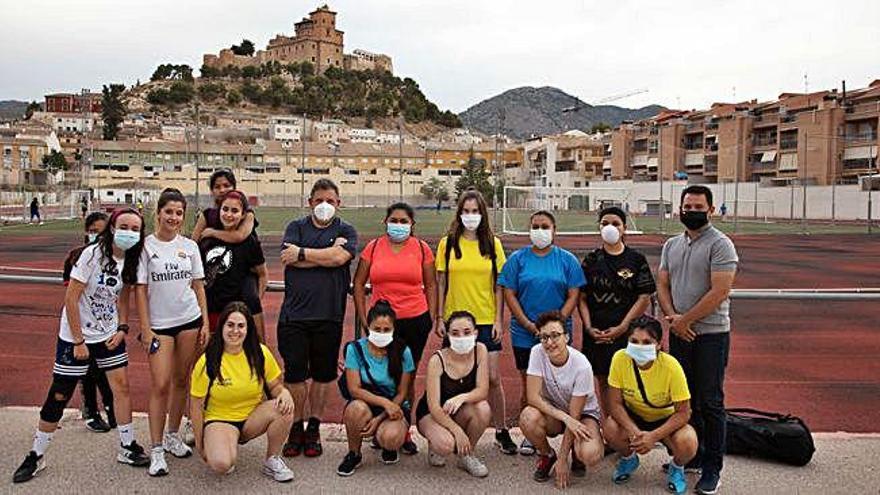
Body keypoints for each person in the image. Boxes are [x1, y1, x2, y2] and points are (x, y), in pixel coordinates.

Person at [12, 208, 150, 483]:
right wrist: (78, 340)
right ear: (112, 227)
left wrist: (122, 328)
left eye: (136, 229)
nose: (130, 233)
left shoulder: (134, 258)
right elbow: (71, 298)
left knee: (121, 388)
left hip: (108, 334)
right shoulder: (91, 255)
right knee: (60, 394)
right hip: (76, 336)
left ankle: (127, 446)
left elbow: (123, 295)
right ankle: (36, 454)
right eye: (124, 226)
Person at [657, 185, 738, 495]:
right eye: (686, 206)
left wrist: (685, 320)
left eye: (697, 206)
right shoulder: (671, 245)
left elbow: (720, 291)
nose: (691, 211)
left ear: (711, 209)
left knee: (711, 402)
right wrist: (673, 319)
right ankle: (692, 455)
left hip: (711, 336)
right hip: (680, 334)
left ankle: (713, 466)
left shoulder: (721, 245)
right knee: (686, 400)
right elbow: (662, 283)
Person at [278, 178, 357, 458]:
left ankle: (314, 426)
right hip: (294, 315)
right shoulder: (295, 226)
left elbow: (339, 259)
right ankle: (296, 426)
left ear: (339, 203)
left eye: (331, 201)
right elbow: (290, 257)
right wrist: (327, 253)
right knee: (295, 375)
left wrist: (304, 253)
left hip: (329, 315)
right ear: (310, 202)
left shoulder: (346, 229)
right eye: (319, 200)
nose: (325, 206)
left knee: (323, 376)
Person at [136, 188, 210, 476]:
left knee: (182, 380)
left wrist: (205, 322)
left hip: (189, 320)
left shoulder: (190, 247)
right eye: (169, 211)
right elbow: (140, 290)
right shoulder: (145, 247)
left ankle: (172, 435)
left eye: (179, 213)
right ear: (159, 213)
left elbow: (199, 286)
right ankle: (156, 449)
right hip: (160, 327)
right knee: (161, 384)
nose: (174, 217)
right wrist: (145, 328)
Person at [498, 210, 586, 456]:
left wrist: (557, 323)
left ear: (554, 230)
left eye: (544, 226)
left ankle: (571, 433)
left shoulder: (567, 260)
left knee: (564, 384)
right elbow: (509, 293)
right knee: (529, 385)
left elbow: (573, 294)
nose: (539, 230)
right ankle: (531, 435)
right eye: (535, 226)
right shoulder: (518, 259)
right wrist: (527, 323)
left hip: (559, 333)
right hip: (525, 333)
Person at [434, 189, 514, 454]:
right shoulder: (448, 243)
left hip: (484, 319)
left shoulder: (493, 243)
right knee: (451, 376)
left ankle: (501, 430)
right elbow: (441, 282)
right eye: (466, 211)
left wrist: (498, 320)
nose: (471, 216)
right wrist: (439, 317)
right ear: (459, 214)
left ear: (483, 214)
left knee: (492, 378)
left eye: (475, 211)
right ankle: (446, 428)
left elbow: (499, 285)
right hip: (455, 322)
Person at [352, 202, 435, 454]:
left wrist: (431, 316)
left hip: (415, 320)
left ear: (412, 225)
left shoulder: (421, 249)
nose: (398, 225)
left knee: (406, 377)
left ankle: (403, 429)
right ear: (385, 222)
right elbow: (358, 283)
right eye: (394, 220)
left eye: (404, 221)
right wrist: (364, 319)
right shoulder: (373, 247)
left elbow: (431, 285)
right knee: (382, 374)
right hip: (382, 324)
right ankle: (380, 423)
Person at [190, 302, 295, 482]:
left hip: (251, 418)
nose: (235, 331)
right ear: (222, 326)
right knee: (222, 464)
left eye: (241, 326)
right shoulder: (208, 360)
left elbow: (276, 386)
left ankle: (272, 459)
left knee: (285, 407)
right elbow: (196, 404)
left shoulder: (260, 353)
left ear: (248, 329)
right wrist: (200, 444)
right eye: (230, 325)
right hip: (220, 419)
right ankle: (224, 445)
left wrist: (284, 393)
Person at [605, 316, 697, 495]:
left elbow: (684, 413)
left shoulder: (672, 367)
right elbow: (614, 404)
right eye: (634, 341)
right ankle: (629, 458)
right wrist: (634, 432)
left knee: (689, 441)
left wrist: (653, 437)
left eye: (647, 342)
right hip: (635, 416)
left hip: (666, 419)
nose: (640, 346)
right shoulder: (620, 359)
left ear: (659, 345)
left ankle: (677, 467)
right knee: (609, 427)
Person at [578, 206, 655, 415]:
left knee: (629, 380)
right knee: (603, 380)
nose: (609, 228)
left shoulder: (636, 260)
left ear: (624, 229)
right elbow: (582, 297)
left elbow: (644, 296)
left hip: (627, 334)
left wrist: (623, 327)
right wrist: (588, 327)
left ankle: (630, 430)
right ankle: (610, 427)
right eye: (604, 223)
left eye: (615, 223)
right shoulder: (591, 260)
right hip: (597, 333)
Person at [520, 311, 604, 489]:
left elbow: (575, 415)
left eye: (555, 336)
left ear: (566, 337)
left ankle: (575, 451)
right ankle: (547, 454)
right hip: (557, 413)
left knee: (590, 454)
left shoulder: (582, 366)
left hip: (582, 414)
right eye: (544, 337)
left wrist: (563, 459)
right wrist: (564, 418)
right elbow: (533, 397)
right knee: (528, 417)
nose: (549, 342)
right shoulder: (537, 352)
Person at [336, 301, 415, 476]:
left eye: (386, 330)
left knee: (391, 438)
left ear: (394, 330)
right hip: (366, 401)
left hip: (394, 405)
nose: (381, 333)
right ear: (368, 327)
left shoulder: (404, 352)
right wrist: (384, 403)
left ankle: (387, 445)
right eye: (377, 329)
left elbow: (403, 392)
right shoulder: (355, 349)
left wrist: (379, 418)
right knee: (355, 409)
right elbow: (354, 389)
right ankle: (354, 454)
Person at [416, 311, 491, 478]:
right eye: (455, 333)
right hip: (432, 413)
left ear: (475, 333)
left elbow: (482, 390)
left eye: (467, 332)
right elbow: (434, 407)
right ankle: (435, 442)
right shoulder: (437, 360)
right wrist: (457, 431)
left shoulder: (481, 350)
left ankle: (466, 455)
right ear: (448, 335)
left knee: (483, 409)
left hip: (459, 408)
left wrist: (461, 397)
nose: (461, 337)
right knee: (445, 445)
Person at [192, 169, 264, 337]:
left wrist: (212, 232)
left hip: (240, 283)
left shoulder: (247, 215)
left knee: (250, 302)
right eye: (217, 186)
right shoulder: (207, 215)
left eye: (226, 185)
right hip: (213, 291)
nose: (222, 190)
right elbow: (193, 245)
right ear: (211, 190)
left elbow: (239, 236)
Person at [64, 211, 116, 433]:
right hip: (84, 328)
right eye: (93, 231)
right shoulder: (77, 256)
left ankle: (111, 407)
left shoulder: (115, 258)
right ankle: (91, 412)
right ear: (86, 232)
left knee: (107, 370)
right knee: (87, 372)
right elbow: (70, 294)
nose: (97, 235)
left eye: (102, 232)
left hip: (106, 326)